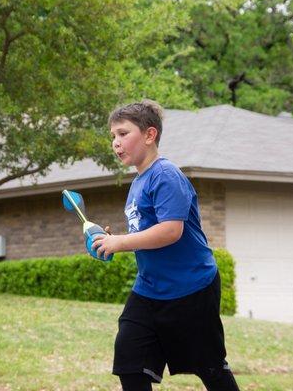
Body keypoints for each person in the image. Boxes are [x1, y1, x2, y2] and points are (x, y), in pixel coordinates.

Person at [92, 100, 240, 391]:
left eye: (123, 134)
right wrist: (111, 240)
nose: (116, 143)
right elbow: (147, 231)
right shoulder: (138, 181)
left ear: (149, 135)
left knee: (210, 367)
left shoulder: (165, 175)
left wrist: (120, 242)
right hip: (150, 290)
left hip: (192, 288)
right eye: (113, 136)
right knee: (130, 362)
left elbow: (171, 230)